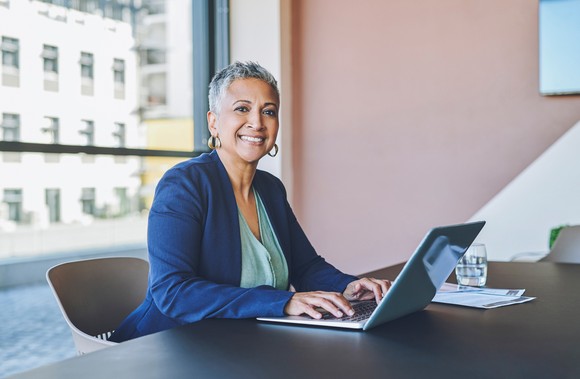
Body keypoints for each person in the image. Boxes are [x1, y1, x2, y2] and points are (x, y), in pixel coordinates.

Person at [110, 61, 391, 342]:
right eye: (242, 109)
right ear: (214, 122)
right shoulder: (184, 184)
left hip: (238, 344)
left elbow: (305, 267)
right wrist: (281, 302)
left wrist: (349, 286)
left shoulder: (270, 189)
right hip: (165, 346)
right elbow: (173, 292)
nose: (257, 123)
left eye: (268, 112)